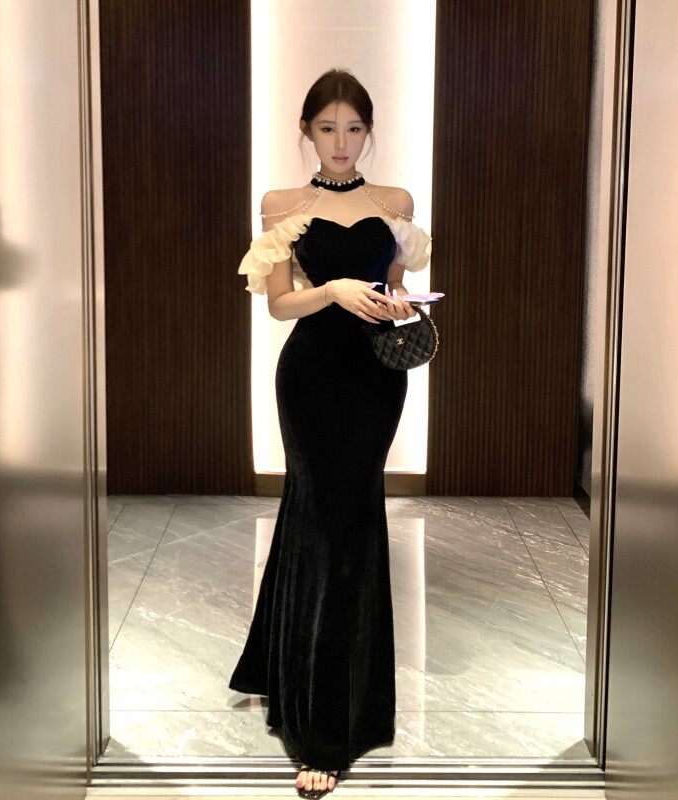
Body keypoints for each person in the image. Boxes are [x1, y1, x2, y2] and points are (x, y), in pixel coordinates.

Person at [229, 68, 432, 798]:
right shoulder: (282, 205)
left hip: (377, 378)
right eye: (327, 129)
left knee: (349, 522)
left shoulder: (395, 203)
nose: (341, 143)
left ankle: (300, 677)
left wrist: (398, 303)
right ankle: (318, 730)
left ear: (368, 132)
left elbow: (397, 283)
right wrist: (334, 291)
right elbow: (279, 306)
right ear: (306, 132)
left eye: (353, 129)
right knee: (319, 519)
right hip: (311, 376)